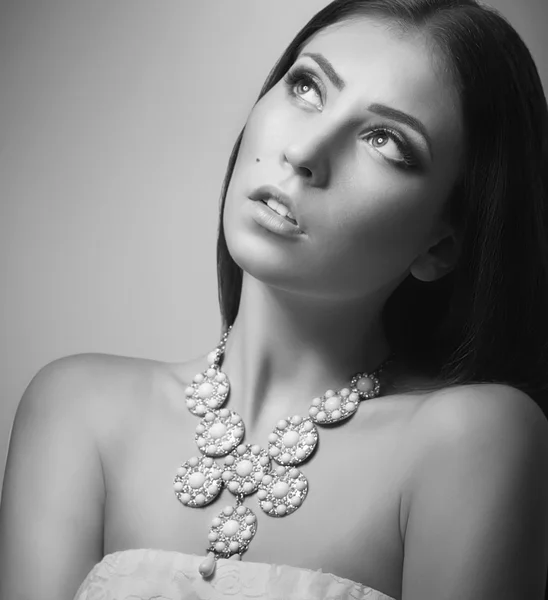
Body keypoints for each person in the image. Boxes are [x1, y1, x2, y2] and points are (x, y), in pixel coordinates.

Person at [1, 0, 548, 598]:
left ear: (442, 245)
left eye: (386, 140)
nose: (304, 153)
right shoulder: (75, 409)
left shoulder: (472, 440)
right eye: (307, 87)